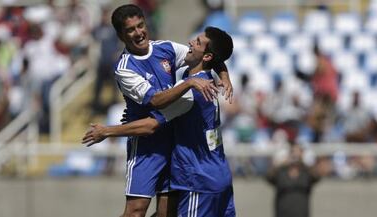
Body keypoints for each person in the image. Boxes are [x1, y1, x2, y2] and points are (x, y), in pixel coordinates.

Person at [84, 4, 233, 217]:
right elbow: (156, 100)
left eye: (141, 25)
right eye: (131, 30)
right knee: (136, 211)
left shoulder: (166, 48)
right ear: (121, 35)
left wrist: (225, 75)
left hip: (174, 143)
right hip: (146, 143)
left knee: (166, 214)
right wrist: (188, 83)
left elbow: (206, 55)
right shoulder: (125, 68)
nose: (139, 32)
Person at [266, 144, 331, 217]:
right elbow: (268, 177)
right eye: (293, 152)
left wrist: (304, 161)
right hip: (282, 213)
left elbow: (317, 176)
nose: (295, 155)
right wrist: (282, 162)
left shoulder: (306, 172)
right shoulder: (281, 172)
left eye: (298, 152)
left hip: (302, 213)